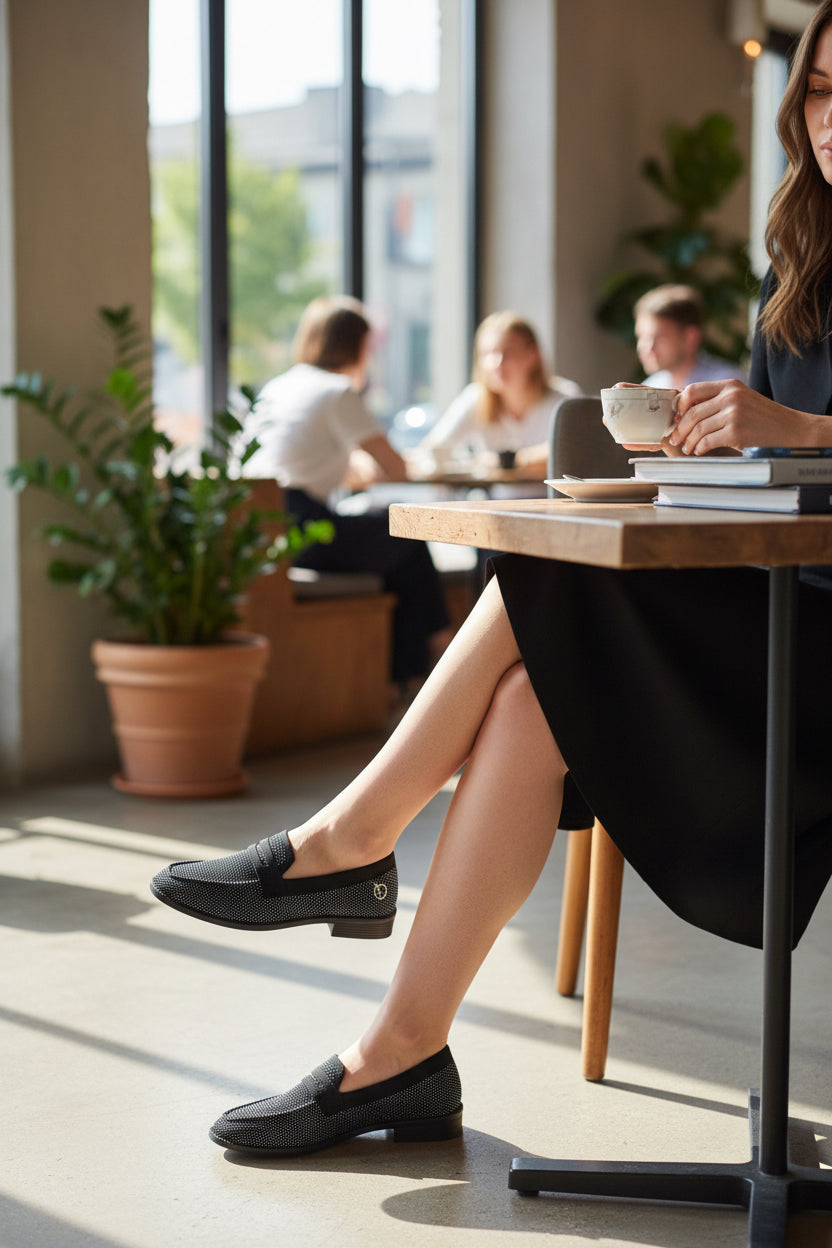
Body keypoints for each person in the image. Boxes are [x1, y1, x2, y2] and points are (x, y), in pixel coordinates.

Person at [150, 2, 832, 1160]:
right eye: (817, 90)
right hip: (769, 619)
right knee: (526, 685)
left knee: (535, 585)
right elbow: (779, 492)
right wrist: (712, 455)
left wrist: (805, 437)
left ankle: (352, 840)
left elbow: (808, 456)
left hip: (811, 668)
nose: (829, 118)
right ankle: (401, 1051)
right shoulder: (801, 270)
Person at [244, 295, 452, 689]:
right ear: (358, 345)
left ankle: (400, 681)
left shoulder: (279, 386)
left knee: (395, 552)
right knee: (407, 536)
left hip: (262, 528)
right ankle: (442, 650)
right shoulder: (336, 391)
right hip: (303, 527)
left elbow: (309, 463)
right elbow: (397, 469)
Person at [420, 310, 582, 479]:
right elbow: (433, 448)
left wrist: (506, 461)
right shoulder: (476, 398)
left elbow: (575, 450)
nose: (496, 363)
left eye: (508, 352)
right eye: (487, 354)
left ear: (533, 354)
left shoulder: (566, 399)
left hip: (553, 502)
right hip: (496, 503)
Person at [634, 283, 746, 389]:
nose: (646, 348)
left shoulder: (726, 386)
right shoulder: (650, 387)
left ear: (690, 338)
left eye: (660, 338)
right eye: (641, 337)